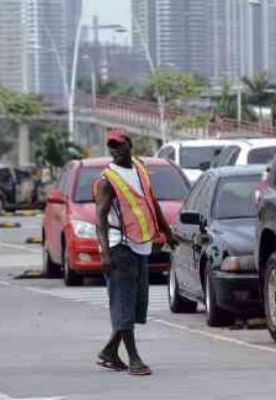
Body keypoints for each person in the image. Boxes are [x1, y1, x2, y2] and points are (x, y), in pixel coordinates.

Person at [95, 129, 177, 376]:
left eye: (118, 145)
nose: (114, 149)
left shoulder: (140, 169)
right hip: (119, 246)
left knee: (135, 304)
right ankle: (134, 358)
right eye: (111, 146)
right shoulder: (106, 180)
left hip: (141, 244)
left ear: (129, 144)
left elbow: (151, 202)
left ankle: (109, 352)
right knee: (123, 303)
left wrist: (167, 233)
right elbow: (100, 217)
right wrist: (105, 253)